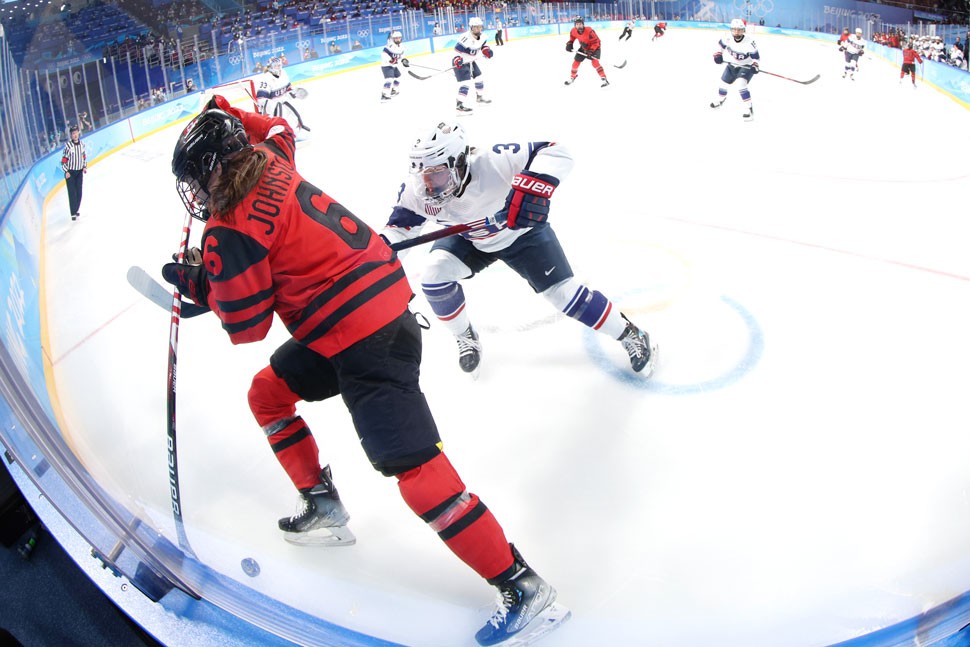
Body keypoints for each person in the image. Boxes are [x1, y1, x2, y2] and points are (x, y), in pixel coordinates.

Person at [163, 98, 567, 647]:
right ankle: (324, 505)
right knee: (269, 393)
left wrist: (200, 283)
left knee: (417, 473)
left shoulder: (226, 230)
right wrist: (234, 111)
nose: (195, 189)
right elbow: (280, 125)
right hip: (373, 317)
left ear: (213, 168)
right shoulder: (273, 157)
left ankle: (523, 586)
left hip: (363, 344)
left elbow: (248, 325)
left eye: (195, 175)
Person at [380, 122, 658, 378]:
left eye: (437, 175)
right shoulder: (417, 192)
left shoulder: (492, 162)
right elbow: (399, 230)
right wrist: (375, 254)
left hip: (521, 235)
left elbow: (556, 151)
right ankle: (465, 334)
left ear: (460, 162)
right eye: (423, 176)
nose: (428, 187)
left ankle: (630, 333)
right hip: (470, 238)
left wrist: (534, 186)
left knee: (564, 295)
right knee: (432, 276)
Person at [710, 18, 760, 122]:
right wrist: (718, 55)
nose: (736, 32)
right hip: (732, 64)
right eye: (734, 29)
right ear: (731, 30)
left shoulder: (749, 42)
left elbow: (756, 57)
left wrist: (755, 65)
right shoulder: (727, 38)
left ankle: (749, 110)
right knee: (722, 84)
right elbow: (720, 47)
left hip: (746, 66)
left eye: (739, 29)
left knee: (741, 85)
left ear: (744, 30)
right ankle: (720, 100)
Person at [256, 57, 311, 140]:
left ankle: (295, 134)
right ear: (270, 66)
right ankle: (280, 138)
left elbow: (287, 88)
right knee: (279, 123)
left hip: (283, 102)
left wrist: (294, 92)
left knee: (294, 115)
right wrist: (272, 106)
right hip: (272, 108)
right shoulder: (265, 79)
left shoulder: (283, 73)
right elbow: (261, 99)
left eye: (279, 65)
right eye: (275, 65)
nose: (278, 67)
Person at [452, 16, 493, 113]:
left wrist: (486, 51)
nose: (479, 29)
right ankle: (459, 105)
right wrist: (457, 60)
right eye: (476, 27)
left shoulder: (483, 36)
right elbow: (456, 52)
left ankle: (479, 98)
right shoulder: (465, 38)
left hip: (471, 61)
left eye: (480, 27)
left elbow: (482, 46)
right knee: (465, 83)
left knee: (479, 78)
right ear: (471, 27)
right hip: (461, 62)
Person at [564, 17, 609, 87]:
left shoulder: (589, 31)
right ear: (575, 25)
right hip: (583, 48)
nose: (579, 25)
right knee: (575, 64)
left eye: (580, 24)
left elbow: (596, 42)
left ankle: (604, 78)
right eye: (577, 24)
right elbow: (572, 37)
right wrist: (570, 43)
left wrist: (591, 51)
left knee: (595, 63)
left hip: (595, 48)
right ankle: (573, 77)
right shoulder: (573, 30)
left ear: (583, 24)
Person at [60, 125, 87, 221]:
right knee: (72, 193)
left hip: (79, 172)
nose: (75, 135)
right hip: (70, 173)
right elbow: (63, 160)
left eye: (76, 133)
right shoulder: (68, 146)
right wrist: (66, 171)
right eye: (73, 134)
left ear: (78, 133)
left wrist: (84, 167)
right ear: (71, 135)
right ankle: (73, 213)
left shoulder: (82, 145)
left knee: (79, 192)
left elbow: (84, 156)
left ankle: (76, 209)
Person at [380, 30, 409, 102]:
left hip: (394, 66)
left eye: (399, 38)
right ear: (393, 39)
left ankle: (393, 90)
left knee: (398, 77)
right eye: (396, 38)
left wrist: (404, 60)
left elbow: (402, 55)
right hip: (386, 66)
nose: (398, 39)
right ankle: (384, 95)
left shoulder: (401, 46)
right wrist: (390, 60)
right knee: (389, 79)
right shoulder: (390, 46)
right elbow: (383, 54)